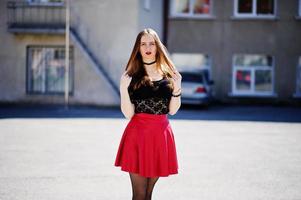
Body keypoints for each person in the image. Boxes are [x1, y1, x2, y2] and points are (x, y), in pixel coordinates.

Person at [114, 28, 181, 200]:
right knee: (139, 194)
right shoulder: (132, 76)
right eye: (143, 44)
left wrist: (178, 87)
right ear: (138, 48)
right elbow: (129, 114)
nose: (147, 47)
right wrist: (123, 88)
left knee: (148, 195)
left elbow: (172, 110)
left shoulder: (168, 75)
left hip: (160, 136)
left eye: (151, 43)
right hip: (137, 136)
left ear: (158, 47)